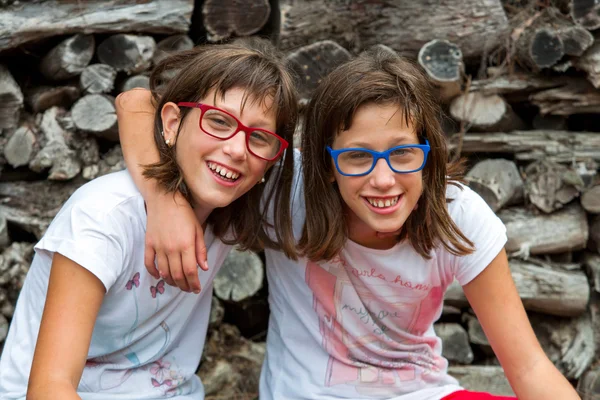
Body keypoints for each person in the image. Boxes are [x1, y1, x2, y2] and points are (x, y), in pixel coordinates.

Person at [115, 47, 581, 400]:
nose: (383, 179)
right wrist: (166, 200)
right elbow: (137, 101)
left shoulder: (456, 214)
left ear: (427, 154)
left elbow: (529, 369)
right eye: (356, 156)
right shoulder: (283, 190)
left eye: (402, 153)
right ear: (326, 164)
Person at [0, 38, 298, 400]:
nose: (236, 149)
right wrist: (165, 198)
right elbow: (49, 388)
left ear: (272, 159)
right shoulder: (106, 216)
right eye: (218, 121)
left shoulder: (237, 203)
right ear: (171, 124)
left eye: (259, 137)